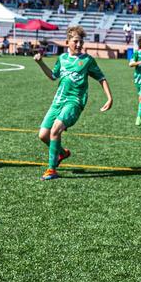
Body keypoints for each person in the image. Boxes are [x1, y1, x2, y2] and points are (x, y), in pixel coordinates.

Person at [33, 24, 112, 181]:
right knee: (43, 135)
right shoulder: (62, 59)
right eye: (75, 41)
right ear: (67, 42)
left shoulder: (87, 60)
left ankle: (51, 169)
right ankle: (62, 153)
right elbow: (53, 76)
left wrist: (109, 98)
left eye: (81, 41)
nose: (79, 44)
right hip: (58, 100)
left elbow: (101, 78)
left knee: (55, 129)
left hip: (75, 101)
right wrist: (40, 62)